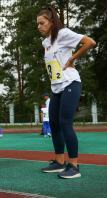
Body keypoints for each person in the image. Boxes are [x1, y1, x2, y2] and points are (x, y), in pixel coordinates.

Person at [37, 6, 96, 178]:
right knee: (54, 124)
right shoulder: (46, 42)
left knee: (64, 123)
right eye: (38, 24)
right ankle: (59, 162)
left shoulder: (63, 34)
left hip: (71, 82)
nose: (39, 27)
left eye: (42, 23)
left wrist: (73, 58)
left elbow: (90, 42)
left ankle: (74, 166)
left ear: (52, 22)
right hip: (57, 87)